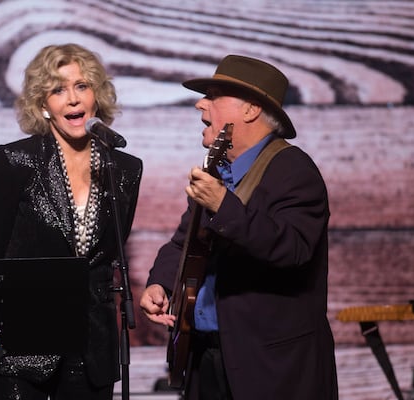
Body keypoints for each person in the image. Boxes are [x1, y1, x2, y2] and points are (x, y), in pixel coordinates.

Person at [139, 55, 338, 400]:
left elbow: (292, 249)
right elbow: (183, 243)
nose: (201, 103)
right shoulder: (219, 173)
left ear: (250, 110)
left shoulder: (293, 170)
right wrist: (160, 283)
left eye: (214, 95)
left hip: (272, 368)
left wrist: (222, 205)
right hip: (208, 359)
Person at [0, 43, 142, 399]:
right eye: (58, 90)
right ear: (42, 105)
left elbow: (109, 255)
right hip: (25, 346)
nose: (72, 99)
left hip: (93, 346)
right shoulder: (15, 162)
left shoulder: (125, 169)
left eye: (82, 86)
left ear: (97, 95)